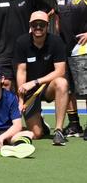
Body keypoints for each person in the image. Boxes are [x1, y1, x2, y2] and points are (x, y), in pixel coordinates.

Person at [14, 11, 70, 146]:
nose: (38, 27)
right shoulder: (22, 42)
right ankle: (42, 125)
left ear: (47, 25)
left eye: (41, 24)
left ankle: (58, 130)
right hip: (30, 91)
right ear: (30, 26)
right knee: (37, 134)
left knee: (62, 83)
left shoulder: (56, 42)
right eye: (34, 24)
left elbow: (60, 71)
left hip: (47, 86)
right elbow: (21, 71)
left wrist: (36, 82)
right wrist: (20, 100)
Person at [52, 0, 87, 138]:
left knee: (86, 88)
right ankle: (74, 124)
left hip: (83, 48)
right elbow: (57, 16)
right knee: (68, 87)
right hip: (64, 48)